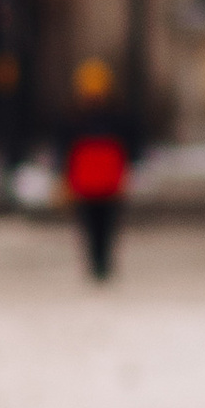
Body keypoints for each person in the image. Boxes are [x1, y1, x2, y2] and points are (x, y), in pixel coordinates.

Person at [63, 59, 128, 282]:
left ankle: (101, 263)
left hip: (104, 180)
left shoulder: (78, 119)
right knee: (96, 225)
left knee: (101, 225)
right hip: (90, 181)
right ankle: (98, 263)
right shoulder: (78, 119)